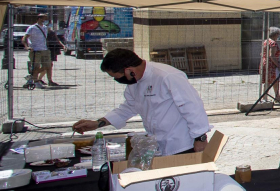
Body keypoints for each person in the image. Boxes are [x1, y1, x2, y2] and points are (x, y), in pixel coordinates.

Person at [73, 49, 211, 156]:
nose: (118, 81)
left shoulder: (167, 76)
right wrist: (98, 123)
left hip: (183, 145)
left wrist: (201, 138)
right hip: (157, 145)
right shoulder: (134, 82)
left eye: (117, 77)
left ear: (129, 70)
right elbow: (129, 107)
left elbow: (192, 107)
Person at [23, 13, 56, 89]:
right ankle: (36, 81)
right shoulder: (32, 28)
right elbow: (24, 38)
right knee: (36, 66)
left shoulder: (45, 28)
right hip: (35, 50)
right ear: (39, 19)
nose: (44, 20)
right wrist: (27, 47)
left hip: (44, 49)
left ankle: (31, 76)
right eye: (43, 18)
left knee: (48, 65)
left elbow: (53, 35)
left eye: (46, 18)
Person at [259, 26, 280, 105]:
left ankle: (277, 96)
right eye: (278, 34)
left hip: (264, 62)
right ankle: (265, 97)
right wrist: (278, 65)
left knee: (273, 80)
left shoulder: (266, 41)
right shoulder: (273, 43)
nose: (278, 36)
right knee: (270, 80)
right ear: (275, 34)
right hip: (271, 64)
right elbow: (272, 55)